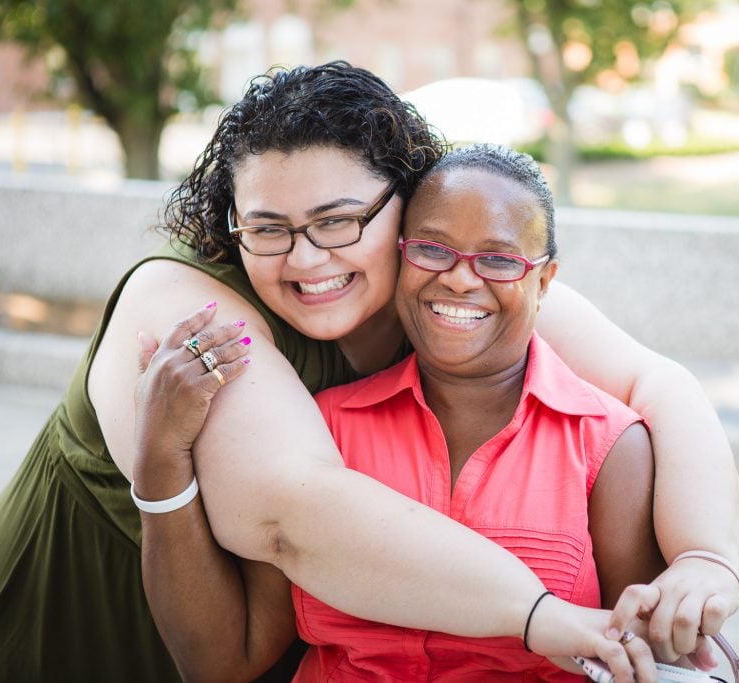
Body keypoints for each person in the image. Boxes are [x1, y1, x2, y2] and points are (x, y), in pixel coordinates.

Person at [0, 61, 739, 682]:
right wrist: (542, 614)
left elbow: (656, 387)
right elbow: (293, 516)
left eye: (338, 220)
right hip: (68, 633)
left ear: (406, 205)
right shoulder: (186, 308)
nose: (307, 258)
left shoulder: (453, 278)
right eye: (268, 227)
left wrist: (706, 561)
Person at [135, 143, 671, 681]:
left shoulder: (611, 447)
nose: (461, 279)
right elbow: (222, 661)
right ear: (400, 255)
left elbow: (649, 659)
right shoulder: (320, 430)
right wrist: (161, 454)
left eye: (500, 259)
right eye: (433, 249)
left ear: (544, 281)